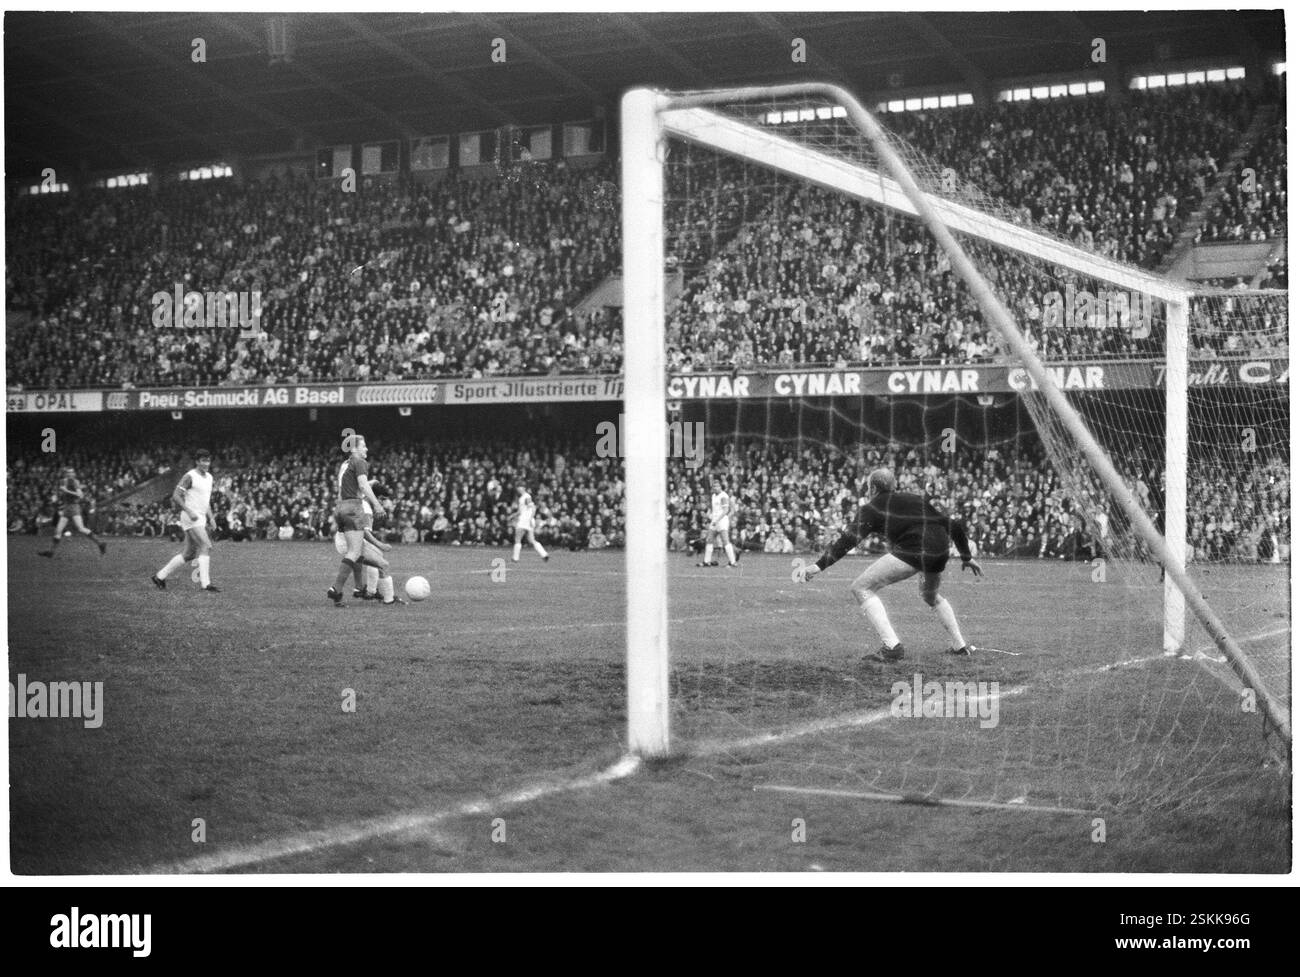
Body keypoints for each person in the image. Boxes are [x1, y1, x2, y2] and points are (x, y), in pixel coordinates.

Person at [797, 468, 981, 661]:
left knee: (861, 587)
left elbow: (848, 540)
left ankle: (892, 646)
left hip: (915, 548)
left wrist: (818, 566)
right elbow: (954, 525)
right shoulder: (915, 498)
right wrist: (966, 556)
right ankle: (959, 646)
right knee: (930, 595)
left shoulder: (871, 508)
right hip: (941, 550)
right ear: (894, 486)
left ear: (873, 488)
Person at [327, 434, 385, 606]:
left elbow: (346, 487)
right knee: (354, 551)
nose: (366, 448)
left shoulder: (345, 464)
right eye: (363, 445)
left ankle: (357, 588)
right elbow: (362, 485)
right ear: (354, 449)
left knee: (355, 552)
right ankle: (336, 589)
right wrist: (377, 504)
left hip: (341, 506)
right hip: (353, 507)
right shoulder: (360, 462)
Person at [150, 451, 219, 591]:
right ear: (197, 461)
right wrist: (189, 511)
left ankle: (159, 576)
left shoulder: (210, 477)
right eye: (203, 461)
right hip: (190, 517)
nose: (206, 464)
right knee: (206, 545)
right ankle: (206, 585)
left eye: (208, 461)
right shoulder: (190, 476)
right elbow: (176, 495)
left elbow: (206, 501)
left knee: (189, 554)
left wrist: (211, 517)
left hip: (201, 517)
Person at [39, 466, 106, 558]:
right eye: (68, 472)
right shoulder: (63, 481)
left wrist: (66, 490)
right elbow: (62, 491)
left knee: (81, 528)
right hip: (66, 507)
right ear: (65, 474)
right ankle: (51, 552)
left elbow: (80, 495)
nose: (70, 474)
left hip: (74, 507)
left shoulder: (75, 482)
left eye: (71, 472)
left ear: (74, 474)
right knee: (58, 530)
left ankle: (100, 543)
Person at [697, 476, 738, 568]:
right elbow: (713, 509)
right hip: (715, 520)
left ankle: (733, 562)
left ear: (720, 487)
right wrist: (709, 516)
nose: (715, 488)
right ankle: (706, 562)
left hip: (722, 521)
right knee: (709, 539)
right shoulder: (713, 496)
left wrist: (717, 520)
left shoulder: (723, 496)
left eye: (717, 486)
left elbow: (725, 510)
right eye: (714, 486)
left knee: (725, 540)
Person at [511, 485, 549, 563]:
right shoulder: (522, 498)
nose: (519, 489)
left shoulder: (526, 496)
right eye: (518, 487)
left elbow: (533, 507)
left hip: (524, 520)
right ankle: (544, 554)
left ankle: (515, 558)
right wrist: (512, 515)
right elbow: (520, 511)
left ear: (524, 488)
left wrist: (530, 518)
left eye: (520, 487)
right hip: (527, 520)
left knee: (518, 538)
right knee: (531, 539)